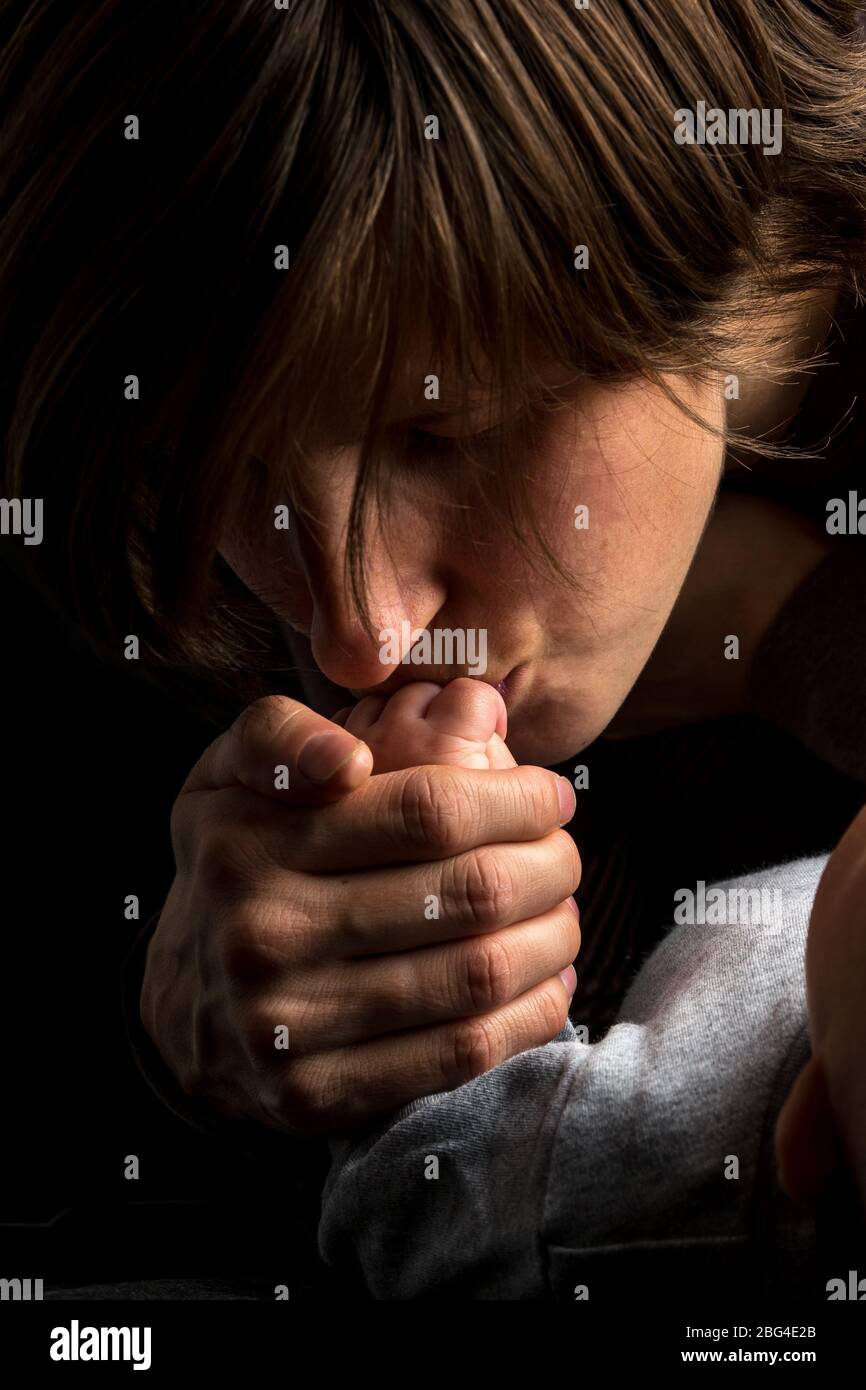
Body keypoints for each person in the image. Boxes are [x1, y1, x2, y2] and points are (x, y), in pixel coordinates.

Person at [4, 0, 866, 1287]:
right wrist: (173, 1042)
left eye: (447, 432)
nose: (356, 635)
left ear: (776, 274)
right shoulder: (123, 554)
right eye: (217, 468)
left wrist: (795, 627)